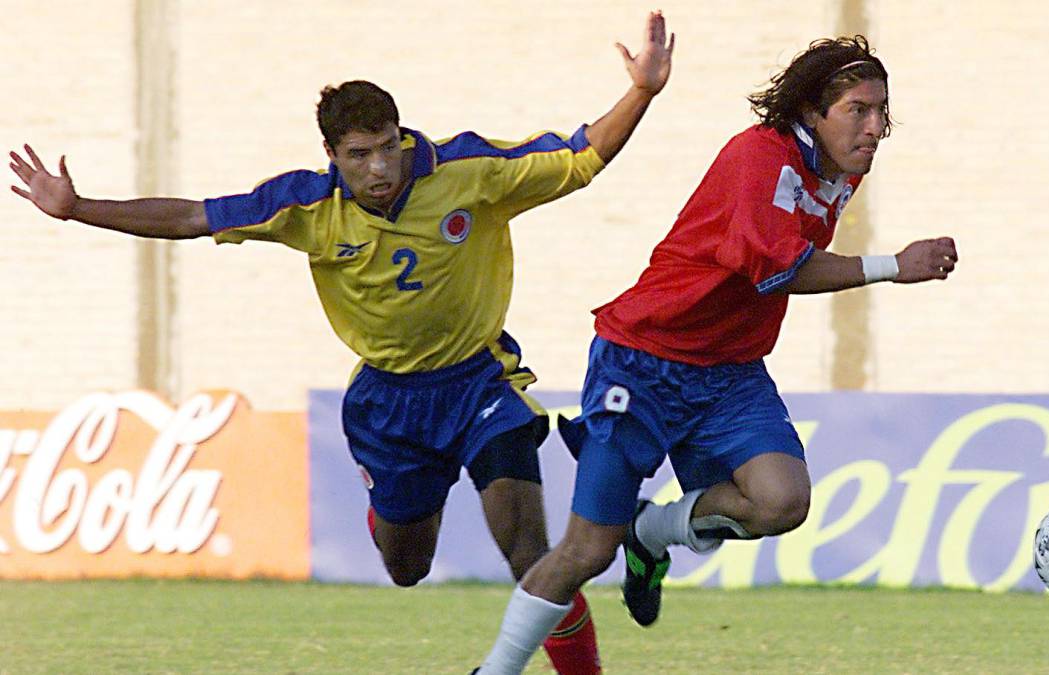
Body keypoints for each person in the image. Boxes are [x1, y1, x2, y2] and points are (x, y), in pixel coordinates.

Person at [9, 12, 676, 675]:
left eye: (387, 145)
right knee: (406, 565)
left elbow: (582, 156)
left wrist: (642, 91)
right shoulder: (304, 206)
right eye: (360, 154)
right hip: (388, 403)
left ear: (401, 133)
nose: (380, 166)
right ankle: (387, 512)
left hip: (481, 382)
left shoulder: (468, 170)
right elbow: (191, 215)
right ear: (332, 156)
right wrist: (79, 207)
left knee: (530, 549)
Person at [474, 35, 957, 673]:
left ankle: (652, 533)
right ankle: (496, 669)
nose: (874, 128)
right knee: (587, 551)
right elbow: (777, 268)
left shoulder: (843, 169)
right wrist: (894, 266)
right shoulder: (759, 156)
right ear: (813, 111)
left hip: (729, 373)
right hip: (643, 360)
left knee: (782, 501)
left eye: (881, 112)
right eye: (858, 111)